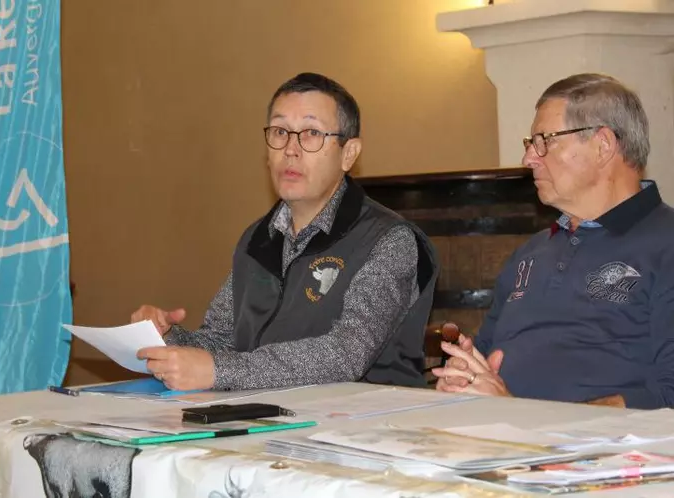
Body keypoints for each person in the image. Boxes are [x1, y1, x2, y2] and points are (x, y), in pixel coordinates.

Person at [132, 72, 438, 391]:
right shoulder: (257, 240)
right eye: (280, 132)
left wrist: (221, 371)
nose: (290, 149)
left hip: (366, 427)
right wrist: (167, 337)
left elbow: (347, 354)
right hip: (269, 419)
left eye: (310, 134)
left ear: (349, 154)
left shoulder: (388, 239)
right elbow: (220, 342)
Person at [433, 73, 674, 409]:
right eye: (530, 144)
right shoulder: (530, 253)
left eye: (544, 140)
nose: (529, 158)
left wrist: (528, 419)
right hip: (497, 439)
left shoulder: (665, 244)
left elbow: (668, 395)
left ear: (603, 145)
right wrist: (464, 375)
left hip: (601, 455)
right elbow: (485, 358)